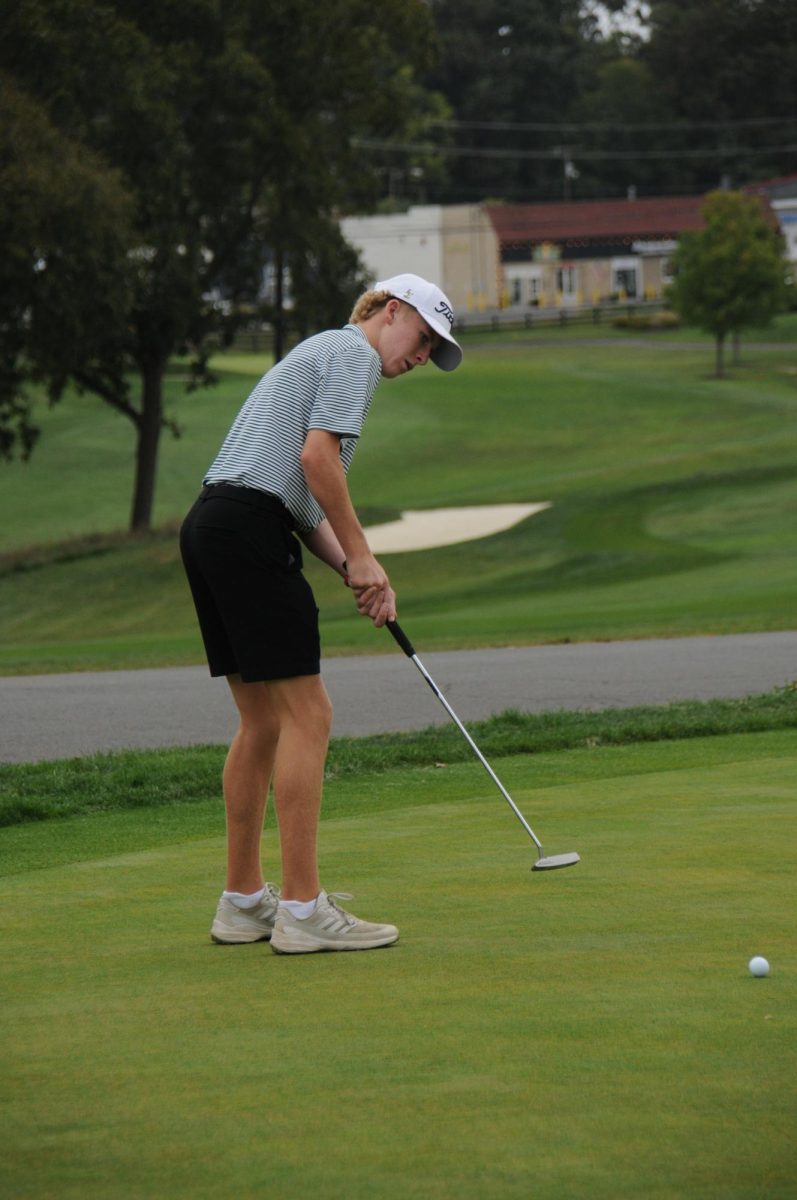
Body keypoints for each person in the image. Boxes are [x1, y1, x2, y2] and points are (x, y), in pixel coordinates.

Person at [179, 274, 463, 954]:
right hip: (249, 528)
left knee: (264, 719)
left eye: (431, 349)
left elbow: (305, 507)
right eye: (422, 338)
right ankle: (303, 911)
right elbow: (316, 461)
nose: (421, 355)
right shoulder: (352, 353)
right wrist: (363, 552)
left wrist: (357, 570)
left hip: (213, 524)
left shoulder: (320, 355)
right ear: (390, 313)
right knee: (310, 714)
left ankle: (243, 901)